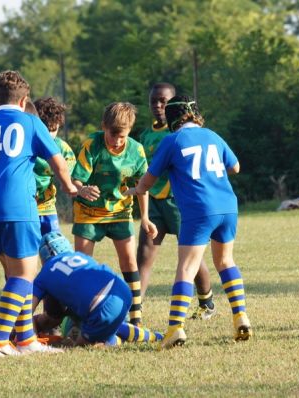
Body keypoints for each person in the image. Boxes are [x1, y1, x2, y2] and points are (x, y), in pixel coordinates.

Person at [0, 70, 77, 357]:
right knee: (26, 273)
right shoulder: (30, 122)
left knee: (15, 275)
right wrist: (70, 187)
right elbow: (58, 163)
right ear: (24, 100)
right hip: (17, 207)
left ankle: (25, 339)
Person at [128, 95, 252, 348]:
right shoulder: (213, 136)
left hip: (199, 209)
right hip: (228, 206)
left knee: (186, 267)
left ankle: (175, 328)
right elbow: (236, 167)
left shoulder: (172, 140)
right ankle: (241, 316)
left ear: (172, 118)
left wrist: (136, 190)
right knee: (225, 261)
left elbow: (148, 181)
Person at [71, 102, 157, 327]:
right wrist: (82, 188)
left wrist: (145, 217)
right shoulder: (92, 145)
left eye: (123, 136)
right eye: (113, 135)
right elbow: (75, 178)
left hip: (120, 212)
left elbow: (142, 185)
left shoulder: (136, 150)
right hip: (89, 213)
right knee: (82, 266)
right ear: (104, 127)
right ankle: (79, 319)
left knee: (129, 262)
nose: (117, 141)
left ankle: (136, 317)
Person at [136, 83, 216, 320]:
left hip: (180, 203)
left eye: (163, 101)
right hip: (154, 204)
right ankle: (135, 311)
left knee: (193, 257)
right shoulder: (144, 135)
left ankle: (206, 302)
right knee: (144, 255)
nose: (158, 106)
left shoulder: (179, 134)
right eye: (154, 101)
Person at [33, 232, 163, 346]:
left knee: (82, 345)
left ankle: (111, 341)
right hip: (122, 290)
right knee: (109, 324)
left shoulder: (45, 273)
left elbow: (26, 311)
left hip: (101, 306)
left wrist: (29, 333)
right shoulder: (80, 256)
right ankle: (155, 336)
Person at [33, 97, 76, 235]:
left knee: (53, 246)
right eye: (46, 131)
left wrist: (79, 187)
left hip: (47, 206)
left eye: (54, 130)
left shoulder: (62, 148)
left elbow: (73, 177)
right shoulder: (23, 145)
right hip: (23, 207)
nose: (50, 136)